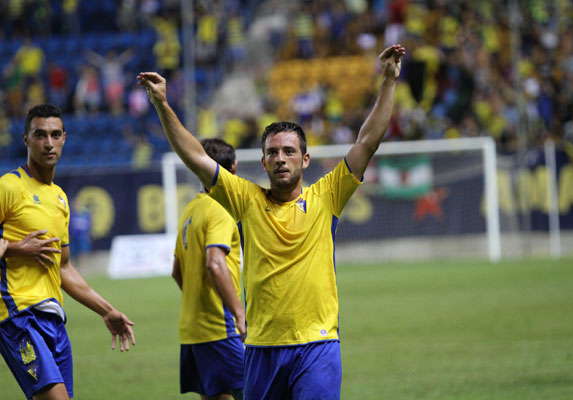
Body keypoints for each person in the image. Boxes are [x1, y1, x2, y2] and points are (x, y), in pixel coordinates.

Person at [139, 44, 405, 399]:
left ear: (305, 159)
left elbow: (367, 140)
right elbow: (195, 156)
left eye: (289, 151)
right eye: (273, 153)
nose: (281, 159)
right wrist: (162, 104)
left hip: (317, 345)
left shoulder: (326, 196)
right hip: (261, 349)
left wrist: (388, 80)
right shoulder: (245, 199)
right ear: (263, 162)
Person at [0, 104, 136, 400]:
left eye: (55, 134)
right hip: (18, 316)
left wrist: (107, 310)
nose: (48, 143)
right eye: (40, 135)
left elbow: (63, 268)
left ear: (64, 138)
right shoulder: (8, 187)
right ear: (25, 139)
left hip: (54, 319)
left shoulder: (60, 199)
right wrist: (16, 247)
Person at [172, 138, 245, 400]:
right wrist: (239, 313)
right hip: (220, 327)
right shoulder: (221, 208)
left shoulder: (190, 209)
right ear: (234, 168)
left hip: (191, 329)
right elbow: (215, 263)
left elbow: (176, 271)